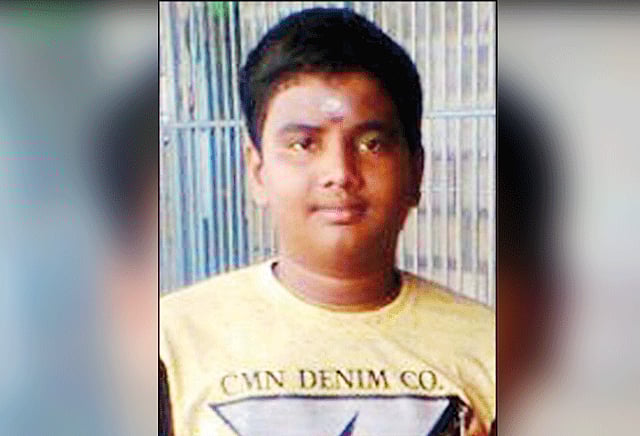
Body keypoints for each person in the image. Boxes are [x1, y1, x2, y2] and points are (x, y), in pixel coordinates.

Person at [160, 8, 495, 435]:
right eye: (303, 144)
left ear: (416, 173)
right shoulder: (170, 345)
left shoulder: (492, 350)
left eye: (372, 144)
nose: (340, 172)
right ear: (257, 171)